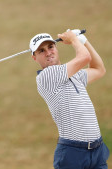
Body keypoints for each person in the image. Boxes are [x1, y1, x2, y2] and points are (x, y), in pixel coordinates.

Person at [30, 29, 110, 168]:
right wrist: (74, 40)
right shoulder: (46, 76)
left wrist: (84, 41)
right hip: (73, 153)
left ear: (56, 47)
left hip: (97, 150)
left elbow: (99, 69)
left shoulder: (74, 75)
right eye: (41, 51)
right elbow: (85, 58)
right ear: (35, 57)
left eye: (50, 46)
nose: (48, 53)